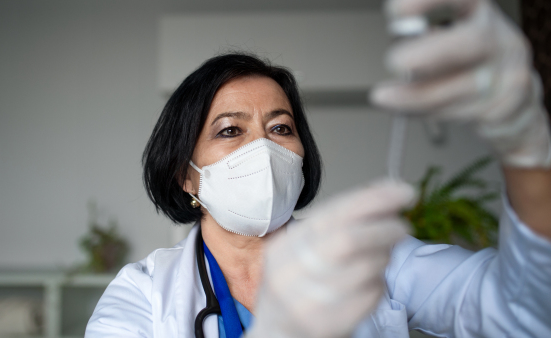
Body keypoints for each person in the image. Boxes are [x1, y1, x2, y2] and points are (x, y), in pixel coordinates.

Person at [86, 0, 551, 337]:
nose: (263, 148)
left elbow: (523, 312)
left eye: (281, 128)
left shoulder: (373, 262)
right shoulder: (142, 297)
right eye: (230, 130)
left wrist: (529, 154)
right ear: (185, 174)